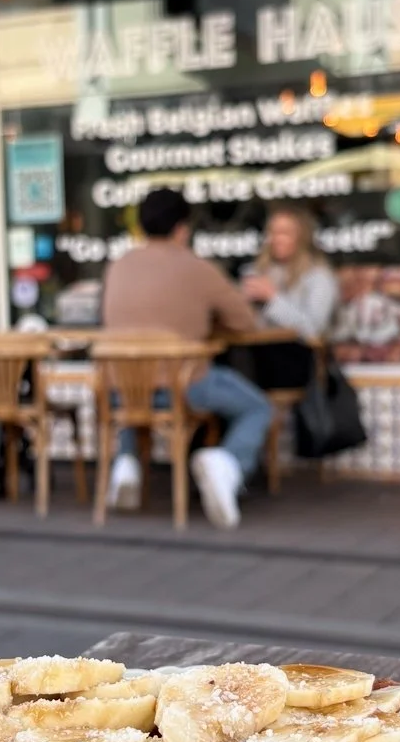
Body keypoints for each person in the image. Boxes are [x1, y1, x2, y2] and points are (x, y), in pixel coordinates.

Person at [101, 188, 273, 529]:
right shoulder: (197, 268)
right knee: (258, 407)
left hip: (119, 389)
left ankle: (126, 464)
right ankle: (227, 463)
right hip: (182, 385)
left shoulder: (117, 267)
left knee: (136, 386)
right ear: (183, 228)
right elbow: (246, 322)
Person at [240, 207, 338, 341]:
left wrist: (272, 299)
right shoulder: (254, 271)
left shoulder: (319, 277)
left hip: (297, 355)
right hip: (254, 352)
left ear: (301, 237)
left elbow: (313, 330)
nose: (277, 239)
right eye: (272, 233)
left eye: (285, 233)